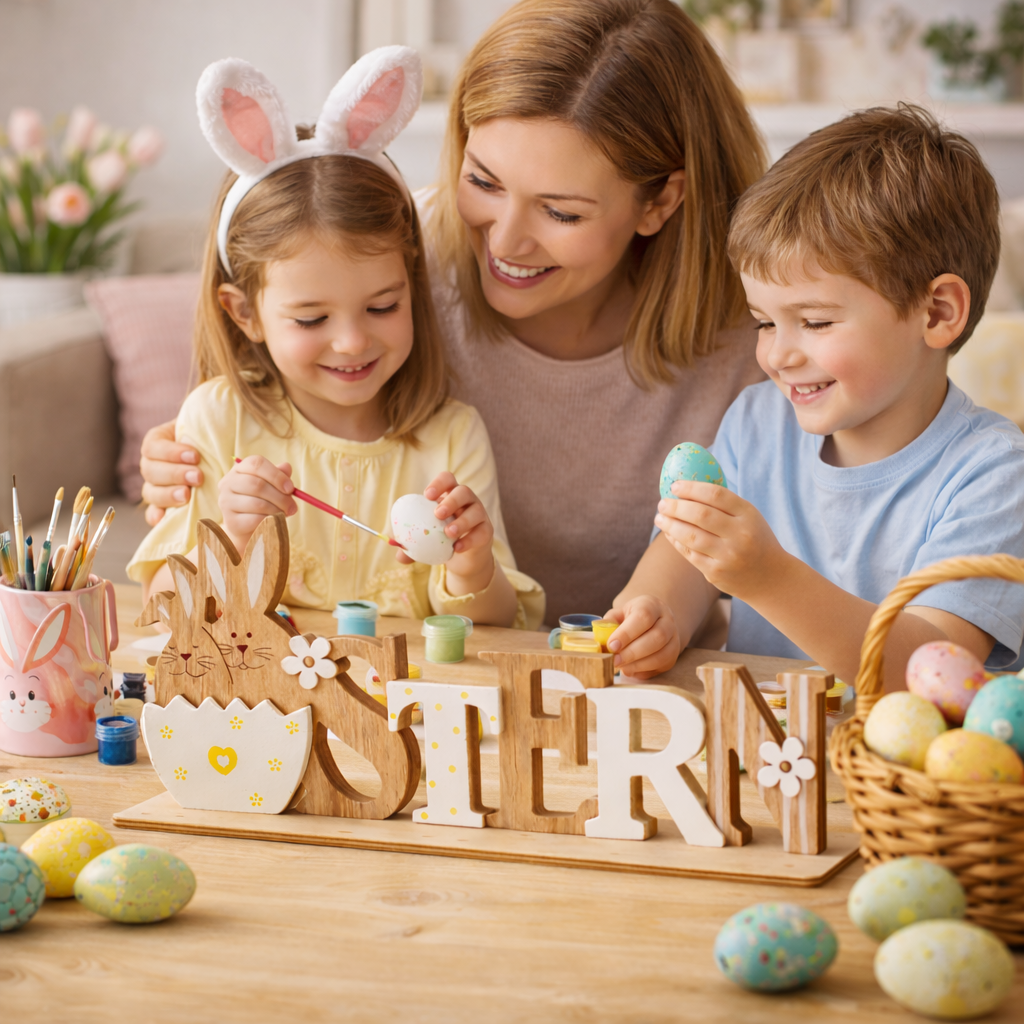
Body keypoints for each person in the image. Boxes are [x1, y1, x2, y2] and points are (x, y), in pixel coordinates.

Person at [135, 0, 768, 666]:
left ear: (660, 202)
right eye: (483, 181)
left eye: (560, 211)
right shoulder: (388, 265)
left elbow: (709, 539)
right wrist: (189, 467)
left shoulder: (755, 332)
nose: (506, 240)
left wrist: (656, 611)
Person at [128, 50, 543, 631]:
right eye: (310, 319)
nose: (351, 342)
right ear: (245, 314)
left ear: (413, 289)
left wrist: (472, 565)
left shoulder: (450, 439)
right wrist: (233, 536)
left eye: (382, 306)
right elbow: (162, 612)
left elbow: (502, 629)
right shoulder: (221, 423)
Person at [612, 104, 1024, 688]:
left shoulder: (993, 474)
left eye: (816, 322)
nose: (779, 354)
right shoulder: (757, 422)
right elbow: (688, 554)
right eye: (764, 322)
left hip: (895, 775)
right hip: (759, 759)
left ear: (937, 313)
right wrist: (654, 614)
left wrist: (769, 578)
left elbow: (932, 670)